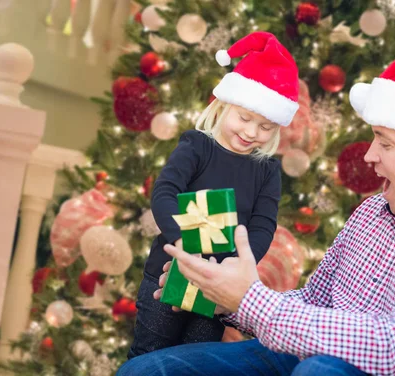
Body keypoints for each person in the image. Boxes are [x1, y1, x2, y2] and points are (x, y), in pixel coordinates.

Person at [118, 48, 395, 375]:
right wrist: (222, 294)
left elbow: (394, 346)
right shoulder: (372, 214)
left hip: (355, 368)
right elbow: (315, 303)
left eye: (384, 144)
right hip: (303, 358)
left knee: (322, 370)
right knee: (151, 370)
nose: (369, 156)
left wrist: (248, 300)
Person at [127, 31, 300, 358]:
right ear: (223, 106)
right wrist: (184, 243)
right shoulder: (197, 146)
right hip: (169, 275)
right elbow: (165, 192)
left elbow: (263, 226)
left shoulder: (267, 171)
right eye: (244, 118)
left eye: (265, 127)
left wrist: (239, 263)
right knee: (149, 356)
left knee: (198, 361)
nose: (251, 132)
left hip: (220, 288)